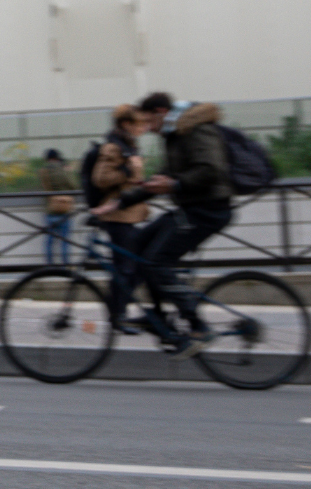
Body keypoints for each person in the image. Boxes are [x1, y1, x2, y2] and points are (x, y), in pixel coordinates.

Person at [91, 92, 233, 358]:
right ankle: (158, 316)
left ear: (160, 112)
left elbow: (212, 169)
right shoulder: (175, 134)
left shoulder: (197, 129)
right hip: (191, 209)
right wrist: (117, 204)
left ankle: (199, 326)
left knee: (157, 262)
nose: (146, 128)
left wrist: (175, 184)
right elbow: (162, 180)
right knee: (138, 245)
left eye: (148, 121)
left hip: (209, 210)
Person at [89, 105, 150, 328]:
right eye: (139, 123)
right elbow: (100, 179)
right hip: (117, 216)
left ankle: (116, 308)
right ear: (126, 124)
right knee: (126, 267)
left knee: (135, 265)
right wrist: (127, 171)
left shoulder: (128, 145)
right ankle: (118, 314)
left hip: (130, 215)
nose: (143, 128)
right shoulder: (113, 147)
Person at [38, 149, 77, 265]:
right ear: (57, 158)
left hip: (50, 208)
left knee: (49, 241)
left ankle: (50, 266)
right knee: (65, 241)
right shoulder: (63, 170)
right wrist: (69, 172)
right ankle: (65, 267)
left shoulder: (43, 171)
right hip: (65, 208)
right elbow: (73, 186)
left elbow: (45, 188)